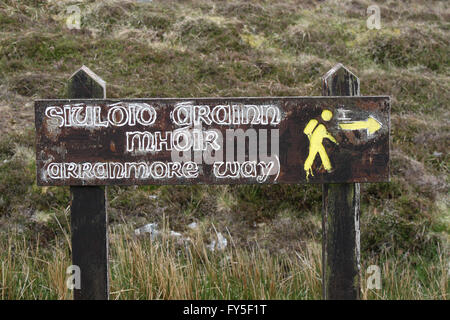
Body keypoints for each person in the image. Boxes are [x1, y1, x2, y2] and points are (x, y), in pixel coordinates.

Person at [303, 109, 338, 180]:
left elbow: (306, 132)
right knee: (312, 156)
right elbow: (328, 135)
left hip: (314, 142)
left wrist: (310, 137)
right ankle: (306, 170)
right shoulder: (322, 127)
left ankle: (328, 168)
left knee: (322, 154)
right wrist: (335, 141)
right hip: (316, 143)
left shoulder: (314, 122)